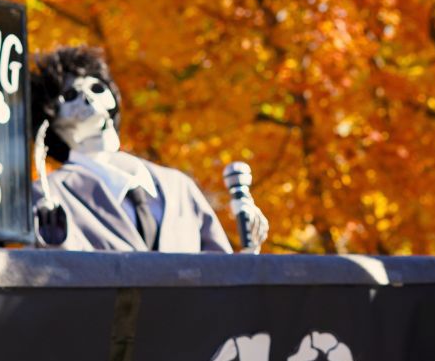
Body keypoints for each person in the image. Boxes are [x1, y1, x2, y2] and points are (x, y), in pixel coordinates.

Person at [28, 45, 263, 252]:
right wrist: (54, 246)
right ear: (49, 119)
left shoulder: (178, 187)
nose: (89, 99)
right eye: (71, 96)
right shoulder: (47, 197)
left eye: (96, 88)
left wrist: (250, 257)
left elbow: (222, 276)